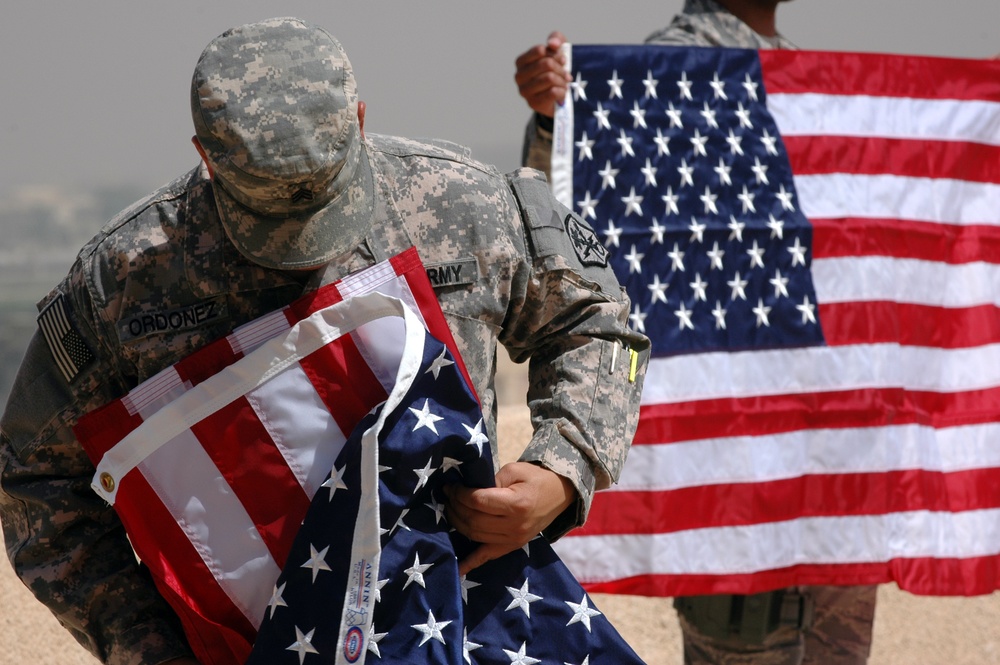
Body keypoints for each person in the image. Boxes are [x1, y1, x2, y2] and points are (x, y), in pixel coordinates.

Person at [0, 17, 649, 665]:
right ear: (205, 154)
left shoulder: (460, 206)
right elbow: (35, 475)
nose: (300, 245)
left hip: (454, 627)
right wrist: (148, 642)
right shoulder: (125, 280)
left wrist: (561, 469)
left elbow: (601, 323)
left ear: (360, 119)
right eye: (270, 216)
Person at [512, 1, 878, 664]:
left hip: (826, 459)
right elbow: (578, 227)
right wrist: (557, 120)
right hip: (746, 461)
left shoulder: (794, 67)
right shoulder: (677, 68)